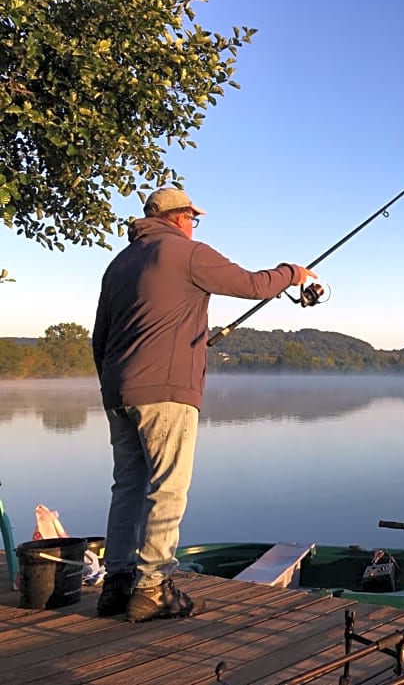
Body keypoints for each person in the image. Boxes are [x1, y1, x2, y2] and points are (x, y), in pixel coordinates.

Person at [92, 187, 315, 622]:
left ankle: (116, 584)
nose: (194, 224)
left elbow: (99, 338)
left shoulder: (118, 265)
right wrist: (292, 273)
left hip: (119, 392)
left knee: (128, 487)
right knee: (167, 487)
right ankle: (153, 586)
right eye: (193, 217)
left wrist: (114, 382)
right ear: (178, 218)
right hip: (166, 392)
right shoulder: (186, 252)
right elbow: (252, 285)